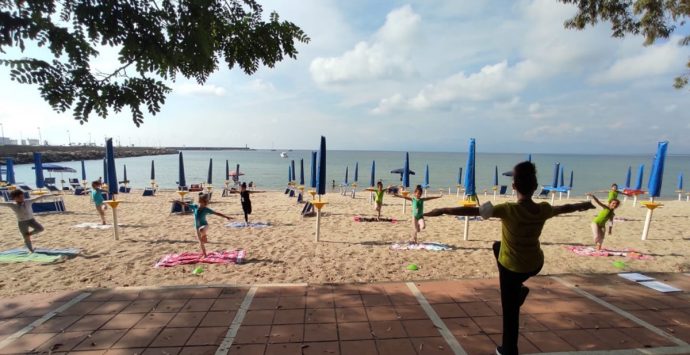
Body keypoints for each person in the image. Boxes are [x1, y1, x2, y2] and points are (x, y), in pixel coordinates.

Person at [424, 161, 594, 355]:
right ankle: (519, 291)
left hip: (512, 269)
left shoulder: (508, 209)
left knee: (510, 311)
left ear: (513, 186)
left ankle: (508, 350)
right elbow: (566, 207)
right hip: (535, 264)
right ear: (535, 187)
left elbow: (473, 211)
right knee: (497, 246)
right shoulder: (544, 209)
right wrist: (584, 205)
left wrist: (444, 210)